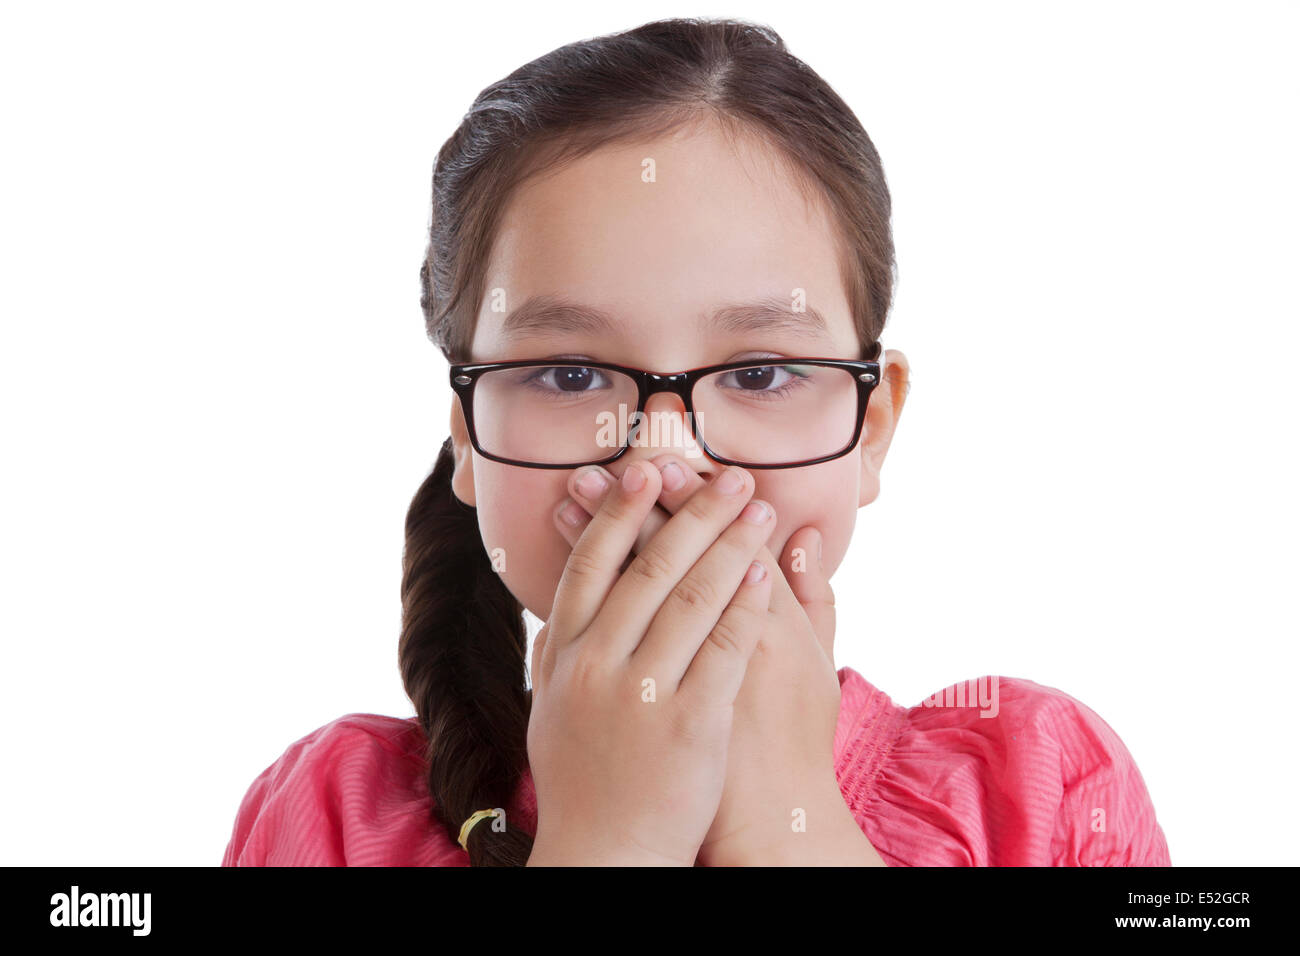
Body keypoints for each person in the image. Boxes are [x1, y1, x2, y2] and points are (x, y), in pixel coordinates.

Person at [222, 16, 1170, 867]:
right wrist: (609, 845)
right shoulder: (329, 816)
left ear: (873, 427)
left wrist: (783, 827)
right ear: (468, 436)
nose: (663, 462)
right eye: (570, 374)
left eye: (757, 374)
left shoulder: (1043, 787)